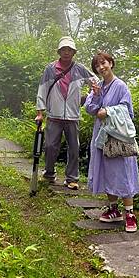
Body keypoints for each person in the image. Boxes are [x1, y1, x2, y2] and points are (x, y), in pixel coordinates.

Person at [84, 51, 139, 233]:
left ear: (111, 63)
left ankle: (130, 214)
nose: (101, 67)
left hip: (119, 138)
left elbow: (127, 111)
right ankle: (113, 209)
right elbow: (89, 108)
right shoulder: (98, 86)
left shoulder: (121, 86)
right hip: (102, 137)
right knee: (107, 172)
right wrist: (97, 96)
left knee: (122, 172)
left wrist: (108, 111)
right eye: (98, 66)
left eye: (104, 63)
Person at [35, 36, 94, 190]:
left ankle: (72, 178)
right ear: (59, 51)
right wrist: (40, 112)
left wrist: (88, 97)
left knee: (74, 147)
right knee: (49, 146)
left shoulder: (80, 69)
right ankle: (49, 174)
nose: (66, 52)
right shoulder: (50, 69)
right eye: (63, 50)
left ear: (73, 52)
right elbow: (42, 90)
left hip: (73, 115)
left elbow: (95, 83)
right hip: (54, 114)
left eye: (69, 50)